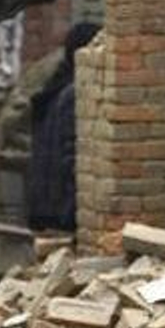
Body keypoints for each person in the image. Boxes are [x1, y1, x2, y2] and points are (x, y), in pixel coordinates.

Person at [28, 22, 103, 231]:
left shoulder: (57, 84)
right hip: (62, 210)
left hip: (47, 205)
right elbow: (70, 157)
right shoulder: (73, 94)